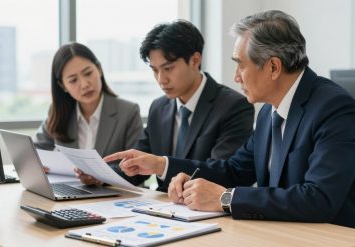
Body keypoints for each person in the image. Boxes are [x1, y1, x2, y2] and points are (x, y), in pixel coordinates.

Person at [104, 10, 355, 228]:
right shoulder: (270, 111)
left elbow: (319, 199)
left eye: (241, 65)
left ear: (273, 67)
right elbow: (235, 170)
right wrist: (163, 165)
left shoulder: (333, 108)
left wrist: (226, 199)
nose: (236, 77)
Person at [78, 20, 254, 191]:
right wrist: (100, 176)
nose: (161, 79)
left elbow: (225, 174)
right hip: (164, 211)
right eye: (155, 70)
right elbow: (137, 166)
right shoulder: (159, 107)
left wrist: (162, 165)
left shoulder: (233, 106)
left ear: (195, 60)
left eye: (168, 68)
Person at [33, 42, 143, 174]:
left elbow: (137, 168)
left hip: (114, 193)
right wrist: (37, 164)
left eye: (88, 73)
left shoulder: (128, 112)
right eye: (73, 80)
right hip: (69, 191)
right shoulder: (59, 112)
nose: (84, 84)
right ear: (63, 86)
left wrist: (99, 177)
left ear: (99, 69)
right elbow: (35, 151)